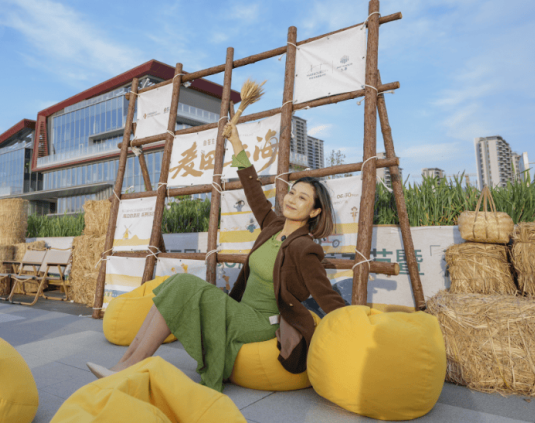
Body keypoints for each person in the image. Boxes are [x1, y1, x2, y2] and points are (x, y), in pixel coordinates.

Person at [87, 122, 347, 392]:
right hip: (242, 310)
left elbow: (325, 294)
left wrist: (352, 322)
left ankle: (128, 368)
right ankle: (125, 364)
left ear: (314, 211)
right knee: (175, 283)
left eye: (302, 198)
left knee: (184, 284)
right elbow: (253, 191)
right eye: (292, 192)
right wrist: (235, 141)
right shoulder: (273, 226)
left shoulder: (305, 248)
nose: (291, 199)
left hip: (262, 322)